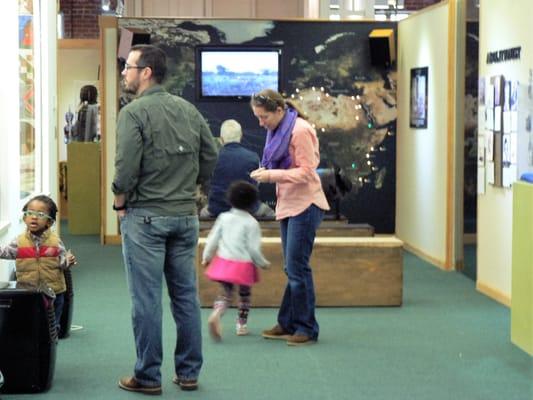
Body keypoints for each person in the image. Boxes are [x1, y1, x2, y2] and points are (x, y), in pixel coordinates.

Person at [112, 44, 218, 395]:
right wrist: (193, 188)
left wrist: (119, 200)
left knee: (146, 300)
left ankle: (147, 376)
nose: (124, 73)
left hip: (145, 218)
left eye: (128, 67)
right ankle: (188, 373)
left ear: (146, 72)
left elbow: (125, 167)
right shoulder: (188, 109)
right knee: (186, 298)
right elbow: (210, 153)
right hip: (185, 217)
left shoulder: (133, 113)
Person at [249, 89, 329, 346]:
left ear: (279, 111)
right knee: (292, 267)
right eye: (258, 118)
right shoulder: (277, 131)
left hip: (305, 205)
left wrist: (270, 176)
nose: (261, 123)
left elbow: (307, 172)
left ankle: (307, 328)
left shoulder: (300, 130)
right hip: (288, 204)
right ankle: (287, 322)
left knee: (297, 268)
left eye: (264, 117)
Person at [202, 181, 270, 341]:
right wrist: (262, 263)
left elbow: (212, 239)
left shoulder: (224, 217)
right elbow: (253, 249)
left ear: (230, 199)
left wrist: (206, 256)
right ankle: (241, 325)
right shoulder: (252, 223)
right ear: (253, 202)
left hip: (224, 261)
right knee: (244, 294)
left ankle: (216, 314)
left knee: (225, 294)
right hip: (244, 265)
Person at [0, 195, 77, 333]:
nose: (34, 217)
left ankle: (50, 345)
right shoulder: (19, 242)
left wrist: (67, 261)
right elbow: (5, 252)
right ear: (24, 218)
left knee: (51, 327)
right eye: (30, 213)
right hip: (28, 292)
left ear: (49, 222)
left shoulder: (55, 242)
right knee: (30, 325)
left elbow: (62, 262)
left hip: (54, 292)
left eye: (40, 214)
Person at [200, 119, 275, 219]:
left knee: (203, 213)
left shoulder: (212, 159)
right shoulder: (253, 157)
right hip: (249, 208)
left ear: (221, 139)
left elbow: (206, 183)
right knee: (270, 214)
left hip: (216, 209)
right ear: (240, 136)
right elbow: (257, 182)